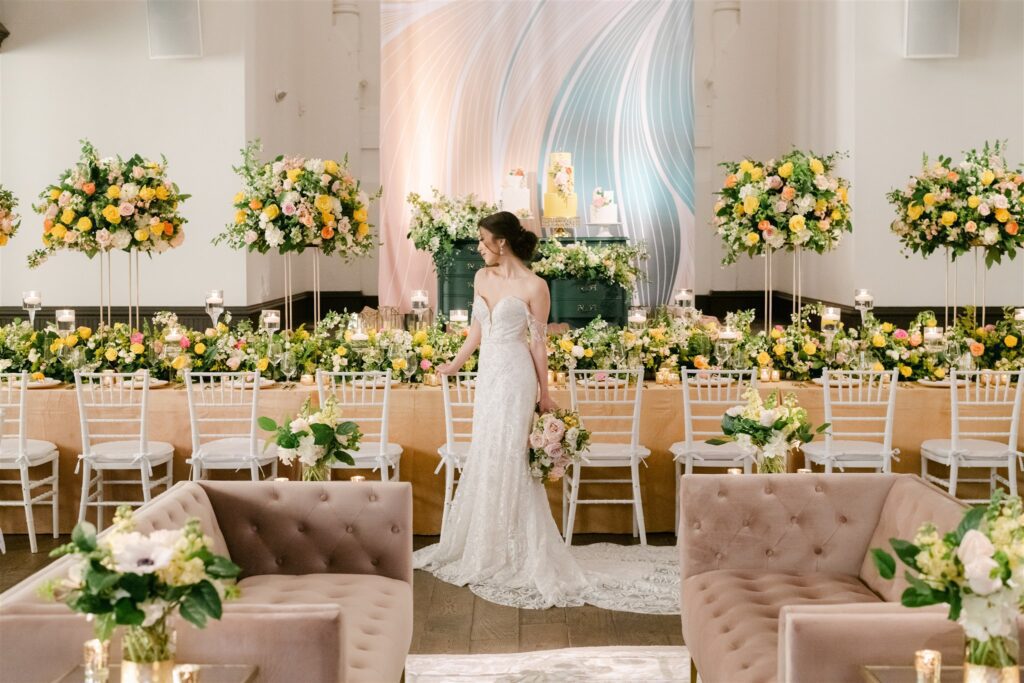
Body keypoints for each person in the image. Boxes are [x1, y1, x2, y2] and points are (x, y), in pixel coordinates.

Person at [414, 211, 677, 613]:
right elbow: (476, 330)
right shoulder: (482, 279)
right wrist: (454, 363)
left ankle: (519, 548)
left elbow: (538, 344)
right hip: (489, 376)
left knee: (512, 455)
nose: (479, 248)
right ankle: (486, 544)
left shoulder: (536, 286)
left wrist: (545, 393)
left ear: (502, 242)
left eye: (484, 241)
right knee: (488, 450)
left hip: (517, 376)